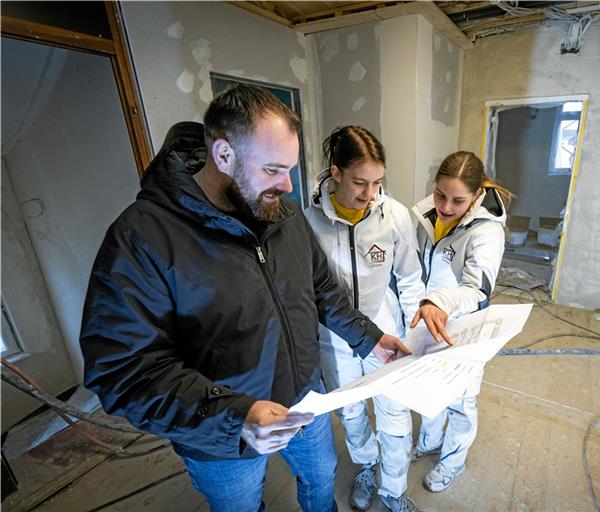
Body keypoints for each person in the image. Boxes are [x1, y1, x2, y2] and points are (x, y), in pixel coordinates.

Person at [79, 85, 410, 512]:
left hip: (305, 402)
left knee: (321, 479)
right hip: (221, 439)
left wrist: (370, 338)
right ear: (223, 154)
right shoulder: (142, 238)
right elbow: (123, 370)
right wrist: (235, 418)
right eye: (273, 169)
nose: (287, 186)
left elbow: (322, 289)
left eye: (289, 169)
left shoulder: (284, 215)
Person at [305, 126, 425, 512]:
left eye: (377, 182)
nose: (369, 193)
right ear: (335, 173)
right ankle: (368, 465)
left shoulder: (394, 216)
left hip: (383, 328)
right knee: (351, 412)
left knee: (395, 412)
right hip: (334, 338)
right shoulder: (308, 222)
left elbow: (410, 277)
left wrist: (416, 331)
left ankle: (392, 489)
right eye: (360, 182)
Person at [409, 151, 511, 492]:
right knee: (430, 388)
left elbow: (477, 289)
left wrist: (439, 301)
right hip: (429, 320)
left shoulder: (487, 231)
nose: (445, 207)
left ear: (477, 194)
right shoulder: (425, 214)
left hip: (464, 325)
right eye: (440, 195)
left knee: (461, 400)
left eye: (457, 201)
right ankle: (429, 441)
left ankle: (452, 461)